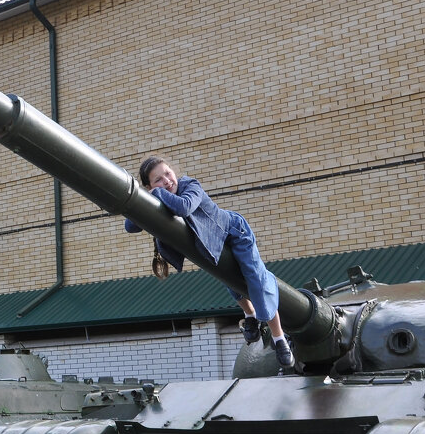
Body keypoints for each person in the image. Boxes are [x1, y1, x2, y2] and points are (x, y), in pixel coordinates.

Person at [124, 155, 296, 369]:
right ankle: (249, 315)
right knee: (229, 278)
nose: (167, 181)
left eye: (168, 173)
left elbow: (184, 208)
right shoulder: (161, 198)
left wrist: (157, 192)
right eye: (158, 180)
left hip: (234, 232)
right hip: (212, 243)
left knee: (255, 279)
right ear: (148, 186)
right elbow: (130, 226)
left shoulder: (190, 186)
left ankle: (279, 339)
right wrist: (142, 198)